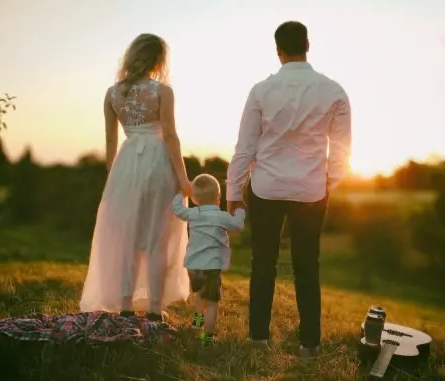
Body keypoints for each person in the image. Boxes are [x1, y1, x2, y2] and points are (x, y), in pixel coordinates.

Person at [226, 21, 352, 357]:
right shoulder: (333, 90)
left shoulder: (261, 90)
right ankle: (309, 344)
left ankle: (257, 338)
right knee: (307, 266)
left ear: (277, 49)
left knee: (262, 263)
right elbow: (342, 148)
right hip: (311, 191)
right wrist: (330, 181)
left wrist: (233, 191)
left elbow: (245, 146)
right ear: (307, 45)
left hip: (266, 188)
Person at [80, 33, 192, 321]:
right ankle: (155, 308)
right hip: (157, 162)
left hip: (126, 162)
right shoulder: (163, 91)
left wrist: (113, 177)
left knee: (126, 235)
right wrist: (184, 179)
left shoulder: (112, 94)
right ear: (158, 59)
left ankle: (126, 305)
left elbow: (110, 142)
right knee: (159, 236)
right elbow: (169, 135)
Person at [171, 174, 246, 344]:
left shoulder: (192, 214)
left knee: (199, 296)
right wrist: (240, 210)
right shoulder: (221, 216)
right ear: (218, 198)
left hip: (193, 268)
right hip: (211, 267)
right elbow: (238, 225)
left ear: (195, 199)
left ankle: (197, 325)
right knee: (211, 304)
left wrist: (183, 192)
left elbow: (176, 208)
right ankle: (208, 337)